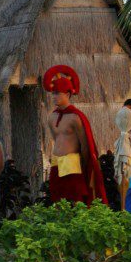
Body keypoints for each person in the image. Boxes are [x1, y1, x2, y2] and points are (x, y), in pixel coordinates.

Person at [43, 65, 107, 205]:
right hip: (56, 164)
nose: (54, 97)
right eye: (53, 93)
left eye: (58, 93)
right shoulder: (51, 117)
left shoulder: (76, 117)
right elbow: (56, 140)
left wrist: (84, 168)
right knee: (57, 203)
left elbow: (85, 146)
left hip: (72, 163)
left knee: (75, 202)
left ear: (68, 94)